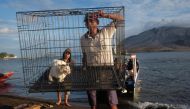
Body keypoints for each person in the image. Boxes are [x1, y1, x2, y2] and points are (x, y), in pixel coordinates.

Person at [81, 10, 124, 109]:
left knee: (112, 101)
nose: (90, 23)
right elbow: (84, 55)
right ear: (85, 24)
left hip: (107, 69)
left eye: (92, 20)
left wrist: (105, 15)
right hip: (91, 71)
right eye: (88, 21)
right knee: (93, 101)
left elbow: (121, 19)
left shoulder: (106, 31)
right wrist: (84, 69)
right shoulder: (82, 38)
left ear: (97, 22)